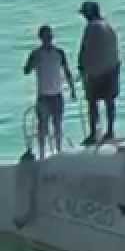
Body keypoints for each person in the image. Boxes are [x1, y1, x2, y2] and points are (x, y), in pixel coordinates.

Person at [23, 25, 77, 158]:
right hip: (43, 96)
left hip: (57, 94)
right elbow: (26, 70)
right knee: (43, 127)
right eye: (45, 36)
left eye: (49, 36)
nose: (48, 39)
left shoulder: (59, 52)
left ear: (52, 37)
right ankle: (42, 154)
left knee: (58, 124)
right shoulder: (36, 54)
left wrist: (72, 90)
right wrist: (32, 62)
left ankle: (58, 151)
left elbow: (67, 71)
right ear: (41, 38)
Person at [76, 1, 121, 144]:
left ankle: (93, 133)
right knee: (109, 102)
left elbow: (85, 49)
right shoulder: (109, 26)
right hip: (111, 69)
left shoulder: (91, 27)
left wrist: (81, 67)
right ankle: (110, 130)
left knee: (92, 103)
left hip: (96, 72)